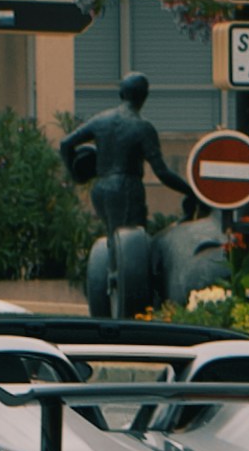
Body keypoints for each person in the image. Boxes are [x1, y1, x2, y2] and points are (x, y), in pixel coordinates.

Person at [67, 71, 191, 322]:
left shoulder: (101, 120)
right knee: (131, 250)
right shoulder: (142, 127)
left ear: (122, 94)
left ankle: (118, 304)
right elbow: (163, 172)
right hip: (125, 186)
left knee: (117, 243)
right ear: (144, 97)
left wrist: (76, 173)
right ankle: (130, 311)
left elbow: (65, 144)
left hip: (101, 188)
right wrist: (191, 191)